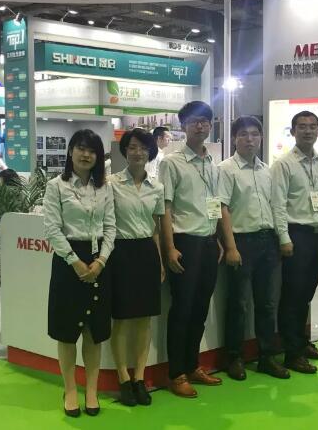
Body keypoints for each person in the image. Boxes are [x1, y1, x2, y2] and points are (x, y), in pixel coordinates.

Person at [43, 129, 115, 418]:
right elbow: (52, 229)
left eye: (92, 150)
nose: (86, 155)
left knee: (93, 332)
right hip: (67, 262)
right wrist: (75, 262)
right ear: (70, 151)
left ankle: (92, 390)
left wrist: (101, 261)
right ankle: (70, 389)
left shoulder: (104, 187)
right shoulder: (56, 186)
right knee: (67, 332)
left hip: (99, 261)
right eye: (81, 148)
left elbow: (111, 227)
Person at [160, 101, 223, 398]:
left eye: (205, 121)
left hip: (209, 242)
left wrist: (218, 238)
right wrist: (170, 247)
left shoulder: (212, 163)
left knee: (200, 308)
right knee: (182, 309)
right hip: (184, 243)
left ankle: (193, 364)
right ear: (183, 125)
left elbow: (215, 205)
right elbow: (165, 208)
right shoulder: (172, 163)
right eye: (195, 121)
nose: (200, 126)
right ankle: (176, 374)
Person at [219, 116, 289, 381]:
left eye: (255, 134)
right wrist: (231, 246)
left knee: (268, 303)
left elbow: (276, 205)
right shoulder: (226, 169)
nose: (250, 139)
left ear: (261, 137)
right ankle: (234, 357)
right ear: (234, 138)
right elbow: (222, 208)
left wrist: (281, 238)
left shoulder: (267, 171)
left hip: (268, 241)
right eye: (243, 134)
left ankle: (266, 357)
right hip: (241, 242)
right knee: (239, 303)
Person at [109, 129, 165, 407]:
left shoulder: (157, 187)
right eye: (132, 147)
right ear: (124, 151)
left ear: (150, 151)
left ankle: (139, 378)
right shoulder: (111, 184)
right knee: (120, 319)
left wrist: (160, 261)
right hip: (120, 252)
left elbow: (155, 228)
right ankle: (123, 379)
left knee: (144, 319)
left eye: (143, 147)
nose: (138, 152)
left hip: (146, 253)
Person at [271, 110, 318, 374]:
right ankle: (291, 353)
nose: (308, 131)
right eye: (302, 126)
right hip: (296, 236)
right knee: (293, 297)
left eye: (312, 126)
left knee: (306, 294)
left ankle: (303, 343)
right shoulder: (283, 164)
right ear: (293, 131)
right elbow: (278, 204)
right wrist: (284, 238)